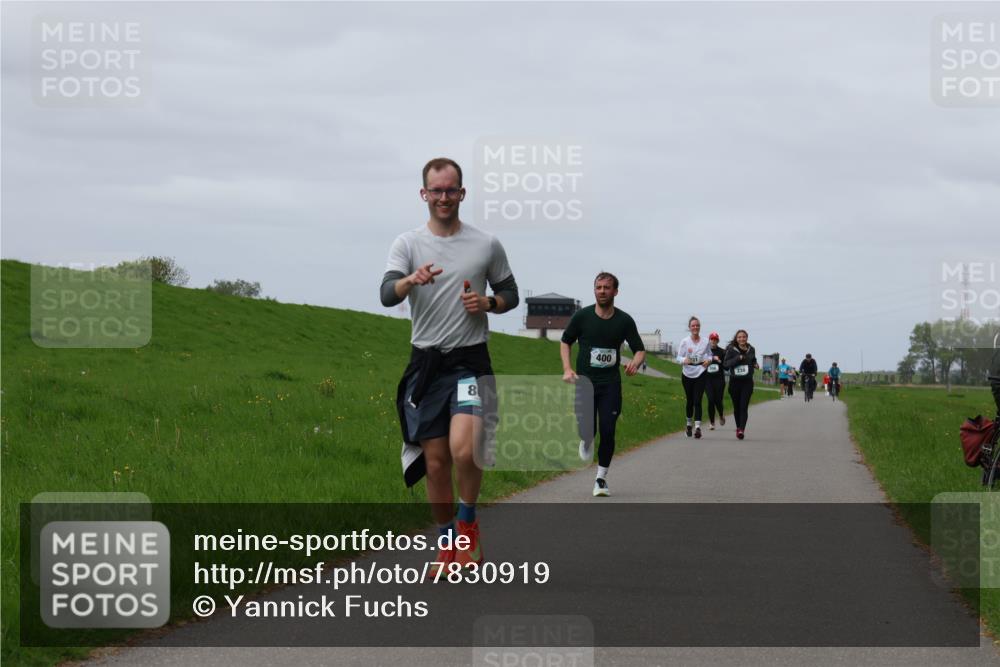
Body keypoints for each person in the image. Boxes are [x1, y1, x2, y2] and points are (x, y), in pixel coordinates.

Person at [381, 157, 519, 573]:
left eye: (451, 190)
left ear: (462, 193)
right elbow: (387, 293)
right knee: (436, 461)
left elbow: (510, 293)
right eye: (436, 190)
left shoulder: (486, 244)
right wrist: (410, 281)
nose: (444, 197)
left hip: (469, 361)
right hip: (426, 363)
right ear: (424, 194)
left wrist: (488, 303)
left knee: (464, 449)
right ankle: (446, 543)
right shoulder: (407, 244)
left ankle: (468, 524)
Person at [561, 272, 645, 497]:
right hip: (585, 383)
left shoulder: (624, 320)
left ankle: (601, 478)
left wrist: (635, 364)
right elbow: (565, 341)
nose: (602, 291)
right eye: (598, 287)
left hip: (610, 384)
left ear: (615, 291)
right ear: (594, 290)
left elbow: (639, 349)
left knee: (608, 429)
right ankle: (586, 441)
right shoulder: (582, 317)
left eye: (607, 287)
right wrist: (568, 368)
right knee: (588, 429)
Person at [676, 316, 711, 438]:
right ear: (689, 328)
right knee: (690, 401)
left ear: (699, 327)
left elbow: (709, 355)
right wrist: (684, 360)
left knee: (698, 400)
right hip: (687, 374)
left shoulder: (706, 341)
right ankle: (689, 425)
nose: (695, 327)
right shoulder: (685, 342)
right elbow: (678, 357)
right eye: (693, 326)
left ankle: (698, 428)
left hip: (700, 372)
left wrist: (708, 361)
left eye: (697, 325)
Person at [723, 329, 759, 440]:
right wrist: (738, 358)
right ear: (736, 338)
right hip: (735, 382)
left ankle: (741, 430)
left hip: (747, 382)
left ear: (747, 338)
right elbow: (725, 365)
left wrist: (755, 364)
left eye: (744, 337)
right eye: (739, 337)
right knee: (737, 407)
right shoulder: (731, 350)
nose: (742, 339)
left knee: (743, 407)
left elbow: (753, 360)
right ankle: (738, 427)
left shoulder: (751, 349)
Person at [705, 331, 727, 430]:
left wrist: (720, 361)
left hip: (719, 380)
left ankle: (721, 415)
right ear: (709, 340)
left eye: (715, 339)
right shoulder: (705, 351)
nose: (713, 341)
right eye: (712, 339)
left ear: (717, 341)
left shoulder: (722, 352)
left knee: (718, 400)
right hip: (707, 379)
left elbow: (726, 366)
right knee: (710, 400)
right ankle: (712, 422)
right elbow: (701, 362)